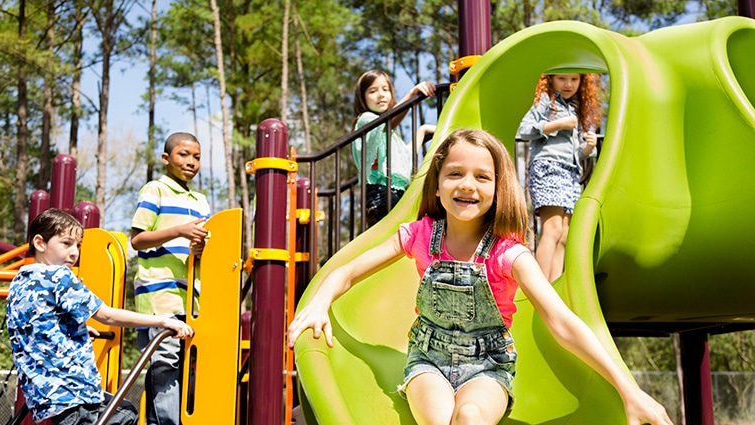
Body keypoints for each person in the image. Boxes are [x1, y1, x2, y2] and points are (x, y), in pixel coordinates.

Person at [287, 129, 672, 425]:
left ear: (498, 189)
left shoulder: (510, 255)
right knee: (440, 418)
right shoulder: (419, 235)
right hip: (428, 361)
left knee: (469, 417)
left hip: (488, 367)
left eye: (482, 177)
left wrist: (628, 389)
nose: (467, 184)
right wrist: (320, 301)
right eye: (455, 173)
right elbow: (348, 269)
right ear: (436, 186)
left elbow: (563, 322)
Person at [7, 208, 194, 425]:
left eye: (78, 245)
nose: (74, 252)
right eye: (66, 244)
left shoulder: (20, 281)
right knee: (126, 415)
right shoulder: (58, 275)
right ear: (40, 243)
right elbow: (107, 315)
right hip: (73, 391)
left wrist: (72, 329)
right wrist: (163, 320)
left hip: (43, 395)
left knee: (122, 411)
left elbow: (32, 323)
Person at [130, 132, 210, 425]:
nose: (191, 162)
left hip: (192, 295)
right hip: (159, 295)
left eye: (197, 157)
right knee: (165, 364)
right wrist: (179, 230)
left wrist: (200, 247)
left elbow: (201, 249)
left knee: (183, 368)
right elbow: (137, 239)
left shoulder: (200, 201)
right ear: (166, 159)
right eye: (183, 155)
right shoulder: (155, 191)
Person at [518, 73, 602, 282]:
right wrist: (559, 124)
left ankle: (553, 287)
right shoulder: (547, 101)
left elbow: (578, 153)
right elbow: (525, 129)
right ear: (550, 80)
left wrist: (589, 147)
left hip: (570, 171)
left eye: (574, 79)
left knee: (564, 234)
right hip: (548, 166)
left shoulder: (575, 108)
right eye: (562, 78)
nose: (568, 84)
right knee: (553, 228)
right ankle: (538, 288)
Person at [352, 69, 436, 227]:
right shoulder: (366, 121)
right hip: (380, 193)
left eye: (385, 89)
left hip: (393, 192)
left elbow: (406, 156)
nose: (381, 95)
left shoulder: (389, 135)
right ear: (362, 97)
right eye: (373, 91)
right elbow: (389, 120)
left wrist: (422, 130)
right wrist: (412, 94)